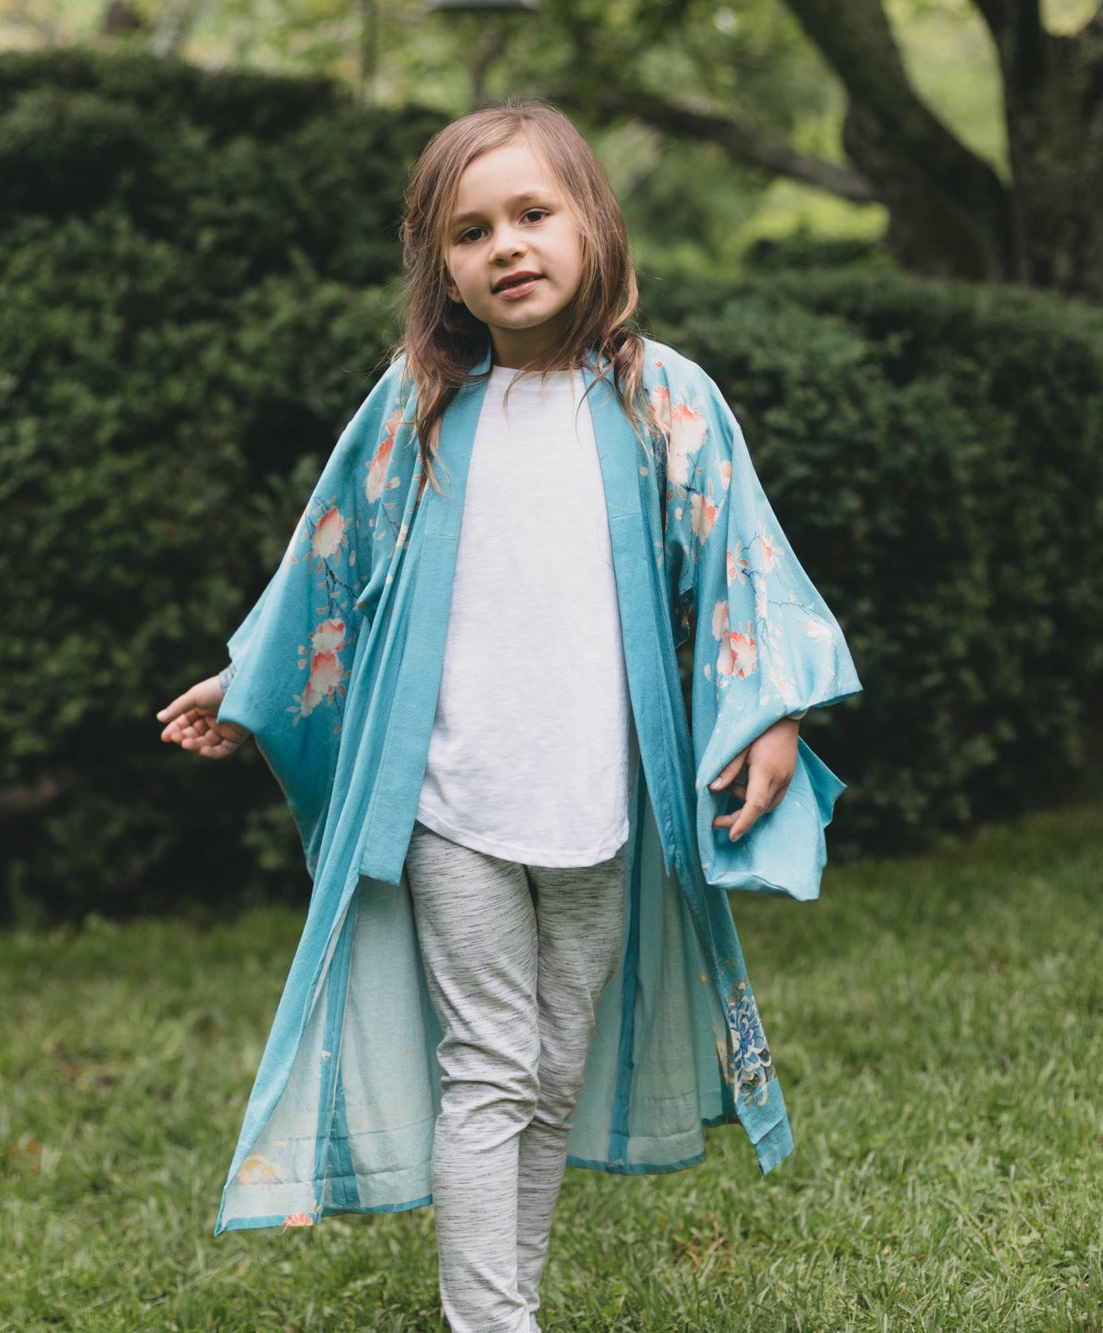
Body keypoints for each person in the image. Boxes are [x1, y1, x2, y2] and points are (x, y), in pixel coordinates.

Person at [156, 100, 861, 1333]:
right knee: (487, 1064)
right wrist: (248, 681)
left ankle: (509, 1302)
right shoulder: (418, 404)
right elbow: (325, 559)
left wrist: (771, 714)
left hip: (597, 802)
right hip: (449, 800)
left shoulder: (662, 402)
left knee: (546, 1065)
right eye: (469, 232)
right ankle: (491, 1321)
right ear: (441, 270)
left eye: (531, 214)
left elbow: (739, 558)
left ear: (591, 222)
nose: (506, 246)